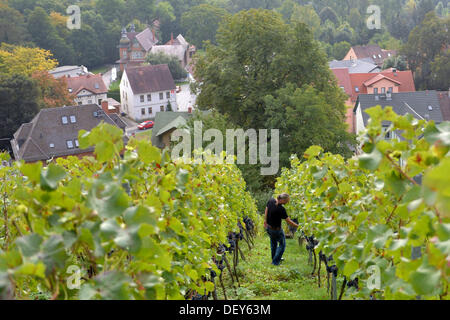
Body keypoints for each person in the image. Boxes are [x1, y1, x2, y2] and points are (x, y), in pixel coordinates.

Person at [264, 193, 299, 266]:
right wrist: (298, 226)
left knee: (273, 244)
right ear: (283, 200)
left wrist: (265, 221)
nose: (287, 202)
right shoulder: (281, 209)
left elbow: (266, 210)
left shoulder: (271, 200)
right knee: (282, 245)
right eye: (287, 201)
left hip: (269, 228)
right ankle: (275, 262)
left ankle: (275, 258)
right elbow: (289, 221)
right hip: (276, 230)